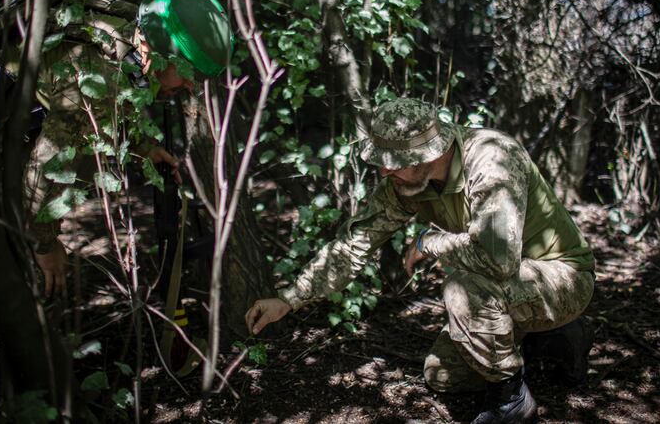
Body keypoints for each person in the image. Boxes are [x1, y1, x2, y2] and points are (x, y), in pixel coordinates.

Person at [245, 97, 595, 424]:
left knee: (462, 288)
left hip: (562, 276)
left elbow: (497, 259)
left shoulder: (493, 159)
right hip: (505, 288)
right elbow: (356, 243)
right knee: (442, 377)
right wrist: (290, 298)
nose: (383, 172)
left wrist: (431, 243)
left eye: (391, 164)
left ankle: (511, 400)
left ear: (427, 155)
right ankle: (541, 338)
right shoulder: (406, 182)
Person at [26, 0, 231, 299]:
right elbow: (45, 169)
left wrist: (145, 148)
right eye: (187, 71)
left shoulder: (126, 40)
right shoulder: (97, 77)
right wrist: (43, 243)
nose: (191, 85)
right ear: (155, 51)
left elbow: (115, 110)